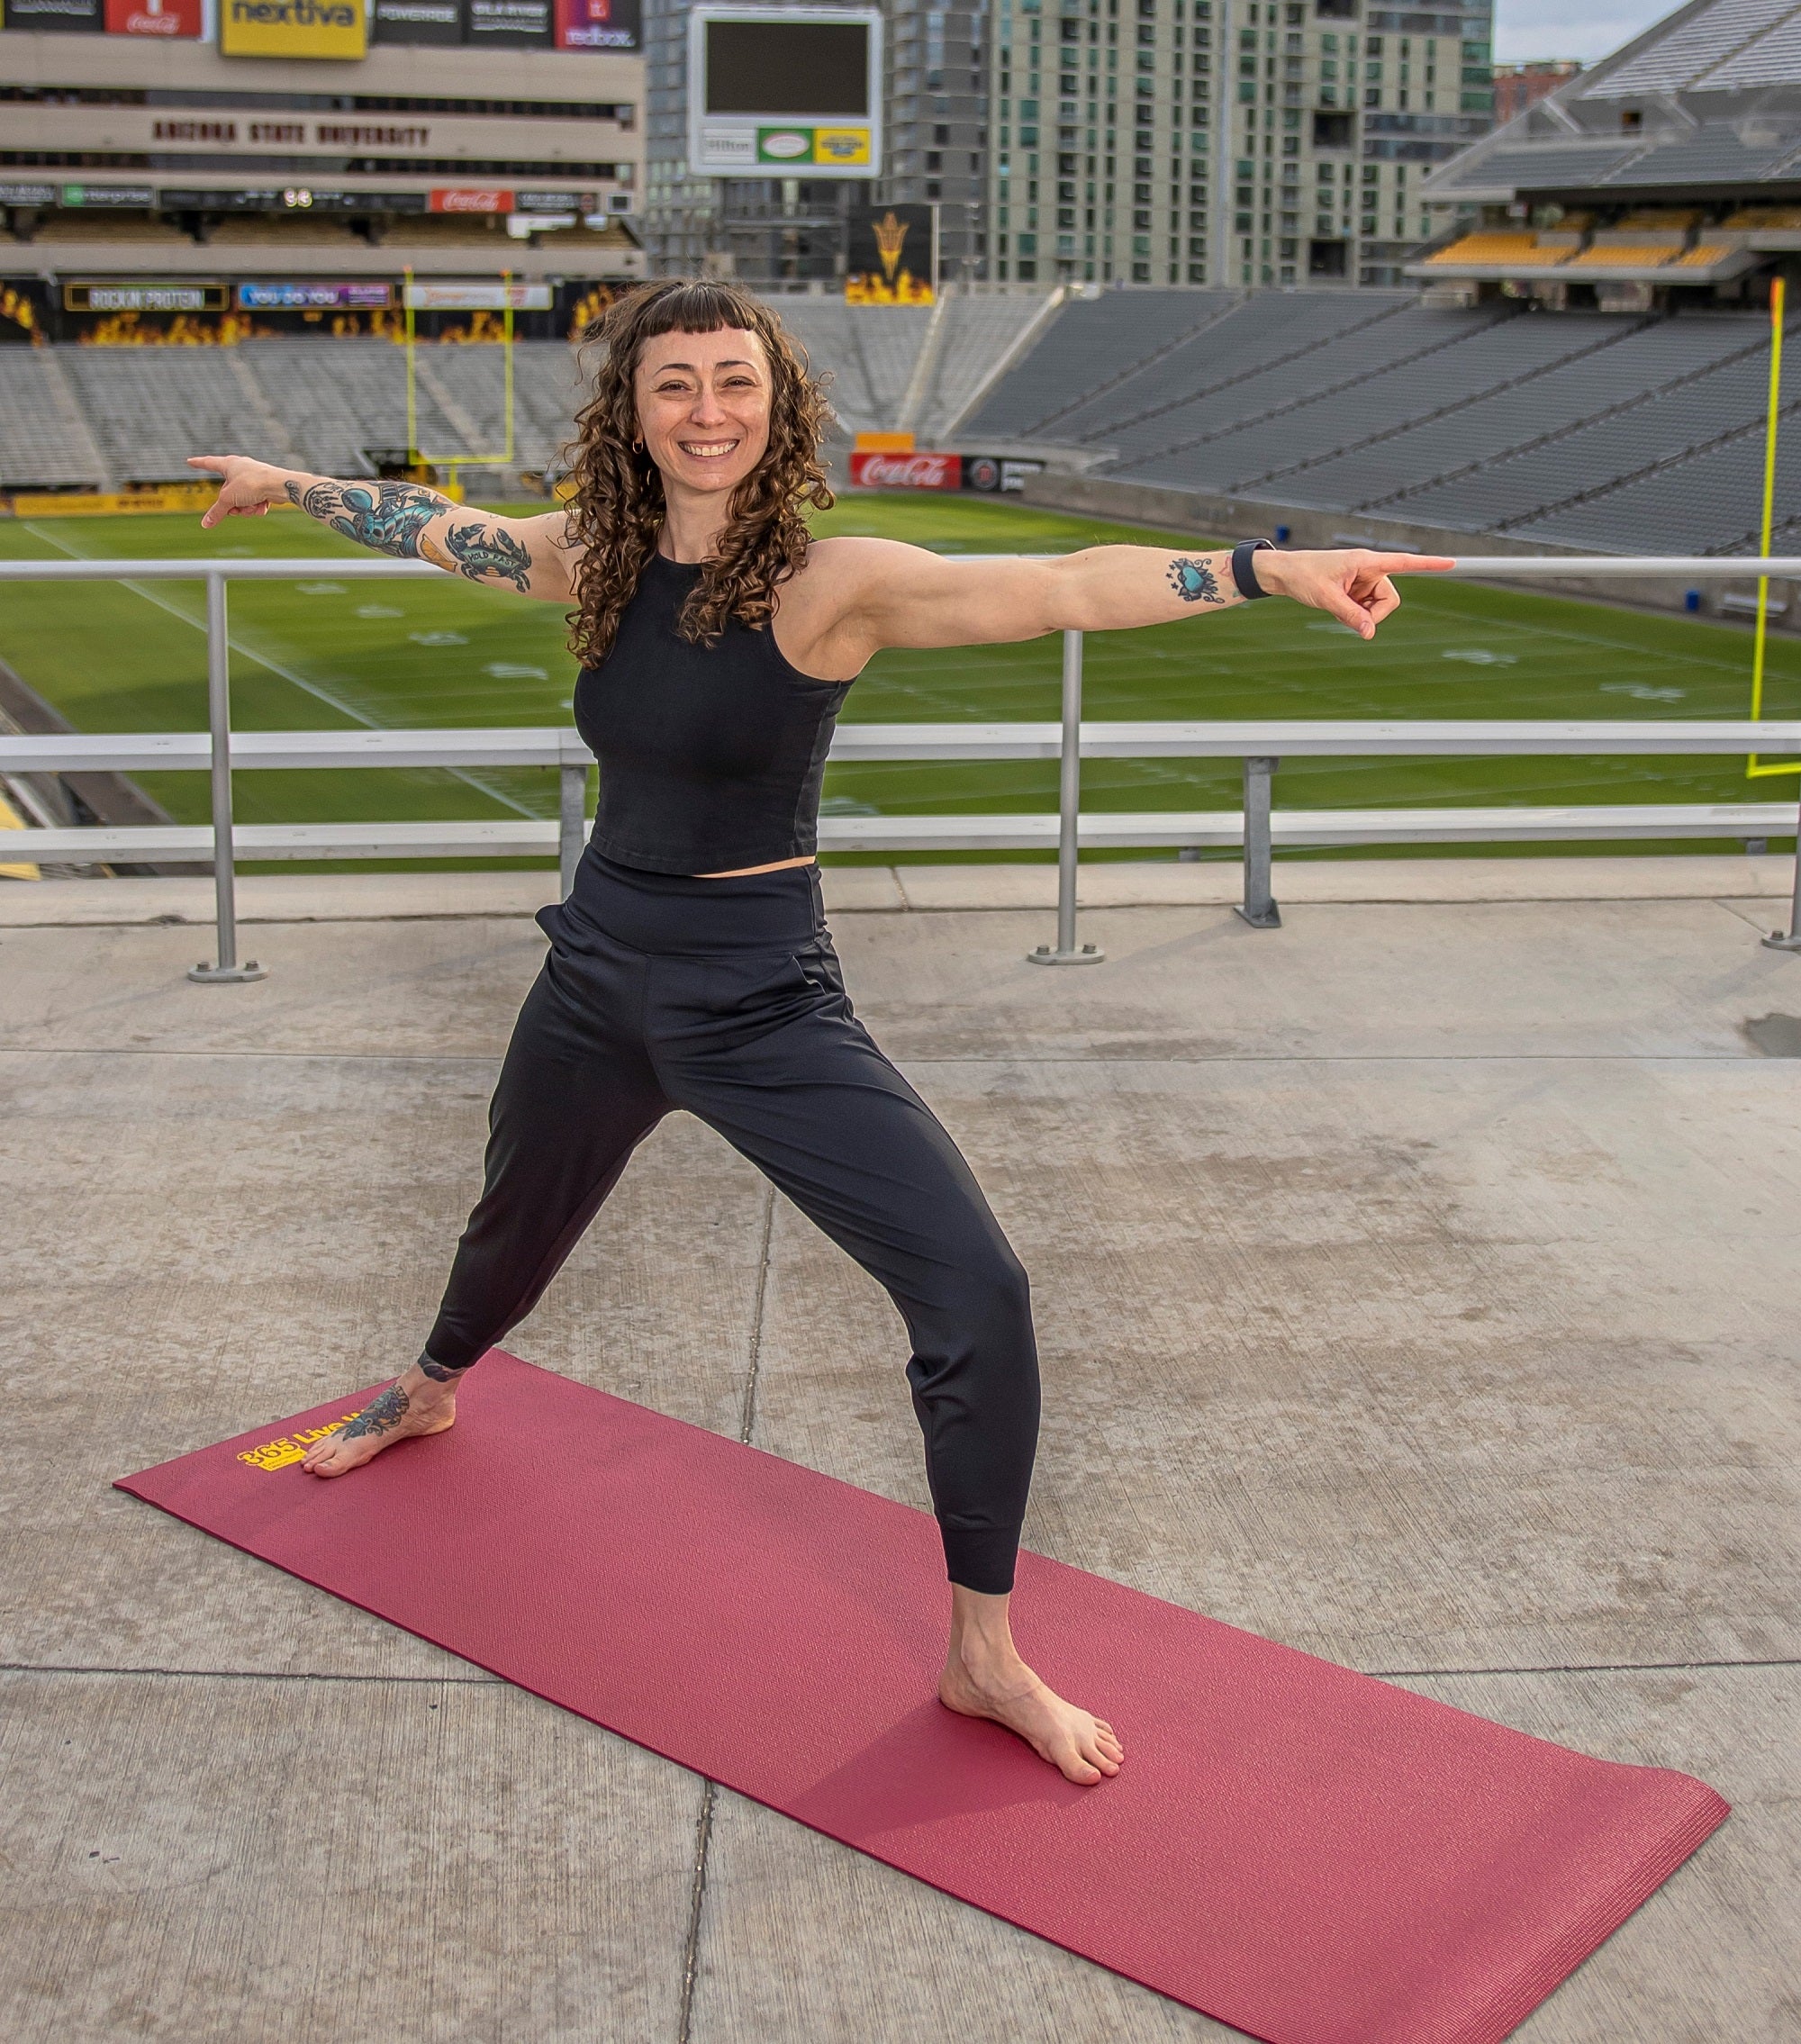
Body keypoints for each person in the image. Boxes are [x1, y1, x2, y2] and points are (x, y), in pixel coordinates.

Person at [189, 278, 1449, 1786]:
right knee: (511, 1216)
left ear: (775, 403)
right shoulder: (587, 557)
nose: (708, 408)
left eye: (736, 380)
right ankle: (435, 1380)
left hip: (758, 992)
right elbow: (430, 525)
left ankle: (982, 1653)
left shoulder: (830, 580)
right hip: (595, 973)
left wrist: (1265, 569)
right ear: (632, 411)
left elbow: (1063, 586)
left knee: (977, 1289)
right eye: (676, 384)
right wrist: (286, 488)